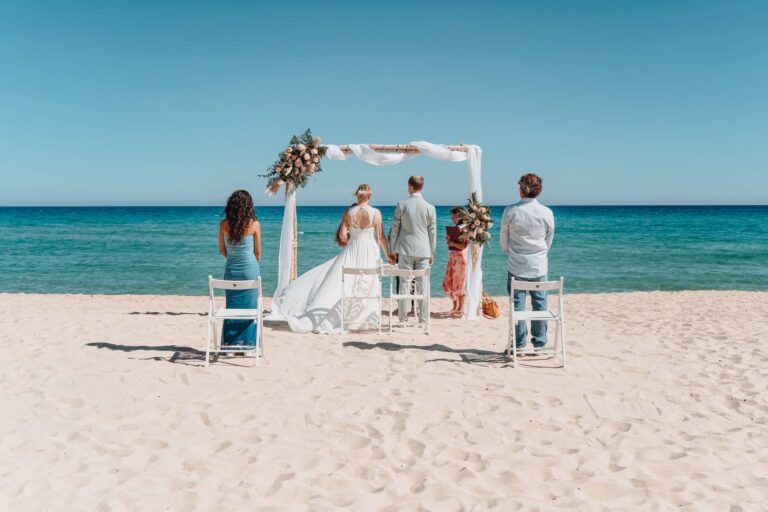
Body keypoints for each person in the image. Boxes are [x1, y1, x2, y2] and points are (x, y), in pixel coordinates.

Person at [271, 184, 392, 333]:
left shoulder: (349, 212)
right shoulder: (376, 213)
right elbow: (381, 236)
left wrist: (352, 239)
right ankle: (363, 320)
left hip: (352, 251)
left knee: (344, 282)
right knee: (367, 282)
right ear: (370, 196)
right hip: (371, 252)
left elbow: (342, 236)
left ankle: (325, 319)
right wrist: (388, 255)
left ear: (357, 195)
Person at [500, 173, 555, 353]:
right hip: (539, 265)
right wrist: (539, 253)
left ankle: (520, 344)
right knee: (540, 305)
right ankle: (539, 344)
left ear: (522, 189)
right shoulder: (547, 212)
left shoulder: (511, 211)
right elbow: (548, 240)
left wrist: (510, 253)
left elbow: (504, 239)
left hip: (516, 266)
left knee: (518, 306)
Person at [388, 176, 437, 326]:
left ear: (410, 187)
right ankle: (423, 320)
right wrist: (432, 253)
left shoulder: (401, 204)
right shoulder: (430, 207)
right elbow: (432, 233)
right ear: (421, 187)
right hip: (423, 250)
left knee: (404, 284)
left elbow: (395, 229)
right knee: (423, 285)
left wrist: (392, 250)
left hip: (404, 249)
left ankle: (403, 319)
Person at [218, 190, 262, 355]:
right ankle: (248, 347)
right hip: (250, 271)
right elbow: (258, 252)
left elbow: (222, 251)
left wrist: (234, 261)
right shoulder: (254, 224)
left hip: (231, 271)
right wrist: (251, 266)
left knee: (232, 307)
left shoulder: (223, 225)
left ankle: (230, 346)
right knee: (250, 308)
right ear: (248, 206)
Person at [443, 207, 468, 318]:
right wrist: (450, 241)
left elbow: (463, 246)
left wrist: (451, 242)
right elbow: (453, 244)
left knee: (460, 283)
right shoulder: (457, 228)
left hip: (461, 257)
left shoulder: (464, 228)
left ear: (459, 216)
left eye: (454, 217)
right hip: (454, 257)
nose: (452, 219)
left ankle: (461, 308)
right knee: (451, 281)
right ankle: (455, 307)